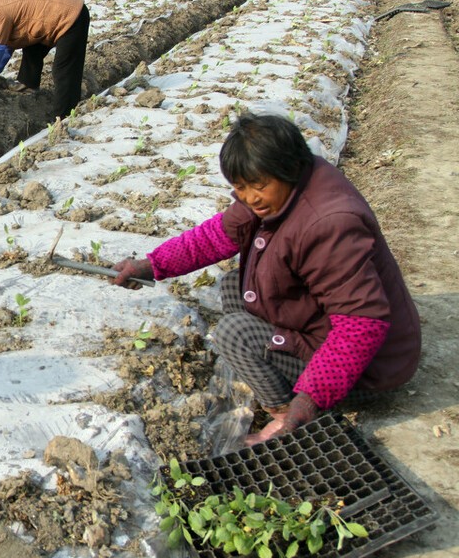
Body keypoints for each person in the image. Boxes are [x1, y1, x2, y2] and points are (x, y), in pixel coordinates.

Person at [110, 113, 420, 446]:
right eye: (240, 187)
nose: (250, 197)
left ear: (288, 168)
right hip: (319, 327)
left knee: (234, 333)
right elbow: (215, 237)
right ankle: (271, 377)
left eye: (258, 186)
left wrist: (311, 398)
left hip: (367, 372)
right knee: (235, 284)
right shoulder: (280, 189)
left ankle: (284, 416)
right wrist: (151, 265)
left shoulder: (329, 224)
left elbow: (361, 324)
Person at [0, 0, 90, 118]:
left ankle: (64, 116)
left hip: (71, 17)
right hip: (59, 15)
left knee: (63, 69)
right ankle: (28, 85)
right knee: (32, 45)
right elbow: (6, 46)